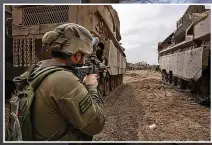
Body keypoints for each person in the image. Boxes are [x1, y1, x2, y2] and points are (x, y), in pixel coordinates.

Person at [30, 23, 105, 141]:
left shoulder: (38, 70)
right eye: (84, 56)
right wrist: (91, 87)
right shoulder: (65, 80)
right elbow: (96, 124)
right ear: (76, 55)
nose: (85, 60)